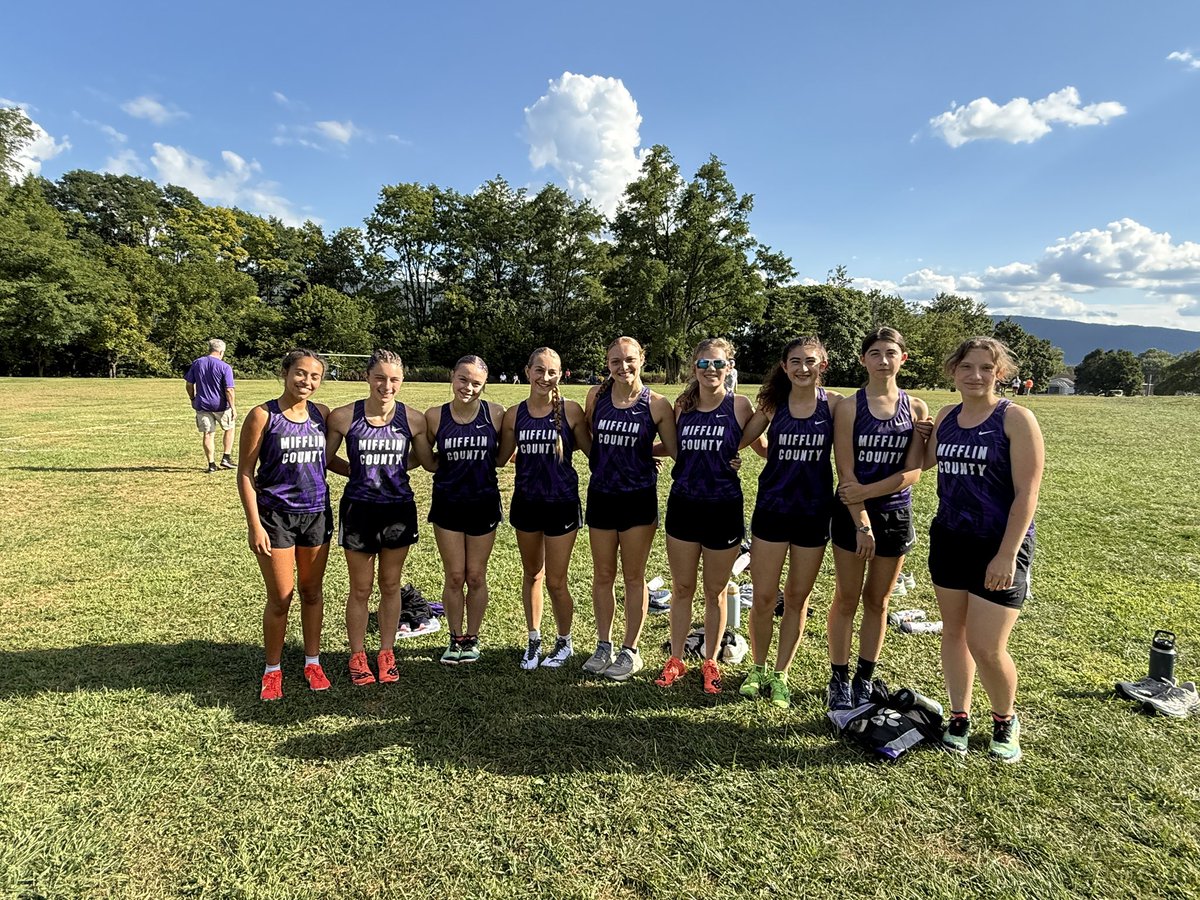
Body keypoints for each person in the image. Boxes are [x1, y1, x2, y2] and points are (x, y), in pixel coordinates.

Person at [925, 337, 1043, 762]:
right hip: (950, 539)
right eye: (966, 367)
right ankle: (959, 715)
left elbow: (1027, 495)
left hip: (998, 545)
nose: (975, 376)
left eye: (985, 368)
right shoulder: (946, 416)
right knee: (954, 633)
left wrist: (1007, 554)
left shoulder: (1016, 419)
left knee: (987, 645)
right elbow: (923, 462)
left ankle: (1005, 719)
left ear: (1000, 373)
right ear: (953, 372)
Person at [734, 337, 844, 708]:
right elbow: (740, 438)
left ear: (822, 365)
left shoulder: (835, 406)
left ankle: (781, 674)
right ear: (784, 366)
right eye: (794, 361)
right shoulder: (772, 403)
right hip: (772, 509)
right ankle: (758, 667)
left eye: (810, 361)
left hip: (814, 513)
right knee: (764, 598)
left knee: (797, 599)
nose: (802, 368)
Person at [828, 327, 932, 710]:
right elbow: (846, 474)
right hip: (853, 517)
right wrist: (861, 522)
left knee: (879, 601)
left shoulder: (916, 407)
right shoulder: (849, 407)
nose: (883, 360)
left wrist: (868, 495)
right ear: (863, 360)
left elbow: (914, 471)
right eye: (875, 353)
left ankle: (865, 678)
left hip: (894, 515)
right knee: (847, 598)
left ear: (903, 359)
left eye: (891, 353)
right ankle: (838, 678)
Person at [325, 349, 435, 686]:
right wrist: (358, 472)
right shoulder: (344, 417)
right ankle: (357, 655)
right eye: (380, 378)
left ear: (402, 381)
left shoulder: (413, 419)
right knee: (360, 588)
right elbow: (325, 459)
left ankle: (386, 653)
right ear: (367, 377)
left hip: (398, 509)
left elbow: (427, 462)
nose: (386, 385)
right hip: (359, 509)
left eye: (394, 379)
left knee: (390, 585)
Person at [654, 338, 752, 694]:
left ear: (729, 367)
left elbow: (757, 443)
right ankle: (676, 658)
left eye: (718, 364)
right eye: (704, 364)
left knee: (716, 591)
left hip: (723, 506)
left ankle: (710, 661)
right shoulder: (683, 406)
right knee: (682, 588)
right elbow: (672, 446)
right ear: (693, 367)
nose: (711, 370)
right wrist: (636, 454)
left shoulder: (740, 406)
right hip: (684, 503)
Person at [237, 350, 336, 701]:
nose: (306, 381)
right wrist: (255, 525)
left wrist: (369, 474)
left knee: (312, 592)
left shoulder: (321, 414)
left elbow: (326, 460)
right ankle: (273, 670)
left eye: (314, 376)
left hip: (316, 514)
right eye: (300, 373)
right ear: (284, 373)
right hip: (275, 516)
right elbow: (246, 473)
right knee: (281, 597)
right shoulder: (263, 416)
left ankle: (312, 661)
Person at [582, 336, 678, 681]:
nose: (623, 367)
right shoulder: (597, 396)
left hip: (638, 497)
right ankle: (603, 644)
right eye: (615, 362)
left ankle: (630, 650)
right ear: (607, 364)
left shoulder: (657, 404)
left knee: (633, 576)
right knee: (603, 575)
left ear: (642, 359)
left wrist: (643, 451)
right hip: (602, 495)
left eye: (630, 360)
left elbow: (673, 448)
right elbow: (591, 436)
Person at [497, 347, 591, 669]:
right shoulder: (514, 414)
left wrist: (642, 456)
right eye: (539, 370)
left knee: (556, 581)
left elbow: (595, 452)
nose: (545, 377)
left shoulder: (572, 411)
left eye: (551, 372)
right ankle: (533, 639)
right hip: (526, 502)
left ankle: (564, 641)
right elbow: (498, 458)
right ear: (527, 371)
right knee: (532, 574)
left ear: (560, 374)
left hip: (562, 503)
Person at [426, 355, 504, 665]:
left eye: (475, 382)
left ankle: (472, 638)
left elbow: (503, 456)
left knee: (476, 575)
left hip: (483, 502)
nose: (468, 387)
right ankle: (455, 638)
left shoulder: (496, 414)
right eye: (463, 379)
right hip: (447, 503)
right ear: (452, 377)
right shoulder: (434, 416)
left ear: (484, 385)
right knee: (455, 576)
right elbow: (427, 459)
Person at [185, 338, 236, 473]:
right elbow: (229, 389)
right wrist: (233, 407)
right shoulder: (225, 367)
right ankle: (226, 457)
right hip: (221, 405)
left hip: (202, 405)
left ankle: (211, 464)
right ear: (221, 351)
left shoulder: (197, 363)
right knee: (229, 428)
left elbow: (189, 384)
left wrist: (192, 398)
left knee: (208, 433)